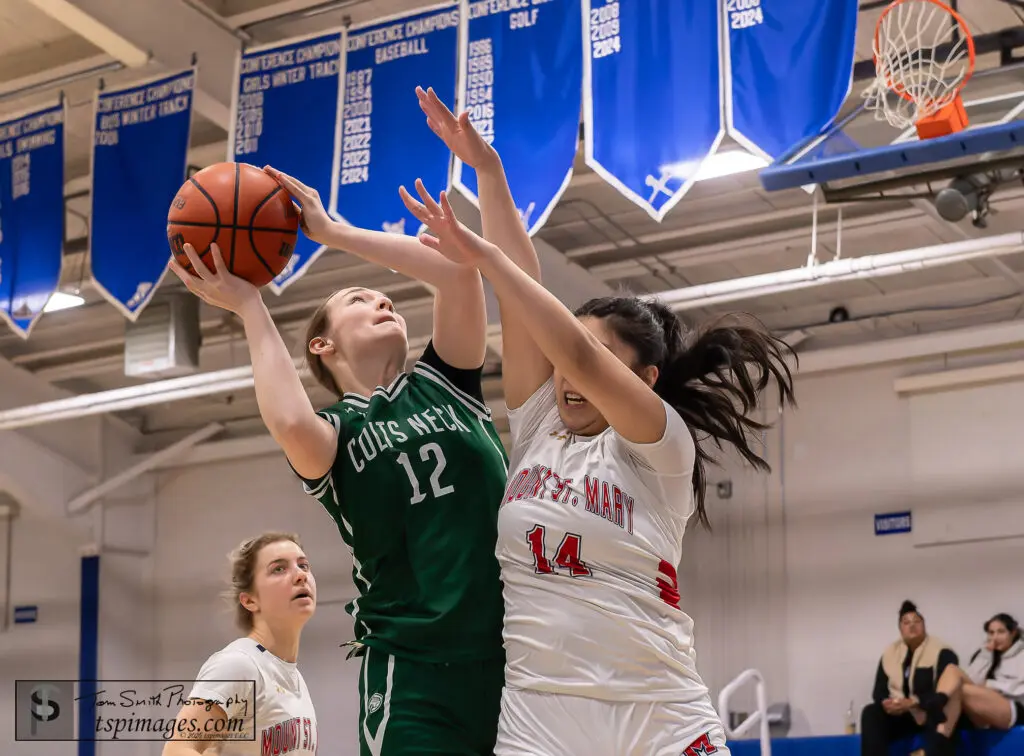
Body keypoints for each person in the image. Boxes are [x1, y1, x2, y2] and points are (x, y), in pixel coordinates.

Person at [399, 174, 797, 755]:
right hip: (540, 721)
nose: (565, 374)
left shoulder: (662, 445)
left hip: (657, 716)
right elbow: (523, 290)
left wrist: (482, 257)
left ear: (642, 380)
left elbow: (575, 352)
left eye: (596, 360)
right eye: (556, 360)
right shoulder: (536, 429)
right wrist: (486, 169)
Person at [167, 153, 518, 754]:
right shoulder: (335, 434)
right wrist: (251, 306)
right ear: (323, 344)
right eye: (360, 300)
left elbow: (458, 274)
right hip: (414, 675)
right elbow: (285, 417)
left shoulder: (447, 384)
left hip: (514, 661)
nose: (382, 302)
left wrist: (332, 233)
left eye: (387, 300)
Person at [163, 532, 318, 755]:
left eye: (303, 565)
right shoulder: (239, 665)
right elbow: (178, 749)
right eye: (279, 569)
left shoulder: (294, 677)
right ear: (250, 600)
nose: (300, 575)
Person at [861, 600, 961, 756]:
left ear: (924, 625)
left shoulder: (942, 651)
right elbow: (878, 691)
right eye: (906, 623)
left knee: (941, 713)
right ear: (900, 629)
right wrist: (888, 704)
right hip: (902, 715)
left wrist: (915, 703)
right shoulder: (890, 653)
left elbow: (946, 692)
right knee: (870, 713)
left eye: (917, 621)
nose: (912, 625)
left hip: (930, 711)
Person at [961, 613, 1024, 730]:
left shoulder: (1022, 655)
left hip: (1016, 708)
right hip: (987, 706)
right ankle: (940, 737)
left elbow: (1020, 688)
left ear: (1013, 633)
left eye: (1001, 632)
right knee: (953, 672)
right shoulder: (987, 654)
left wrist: (990, 685)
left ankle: (940, 739)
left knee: (961, 689)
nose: (995, 637)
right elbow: (970, 680)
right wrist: (986, 655)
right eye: (991, 633)